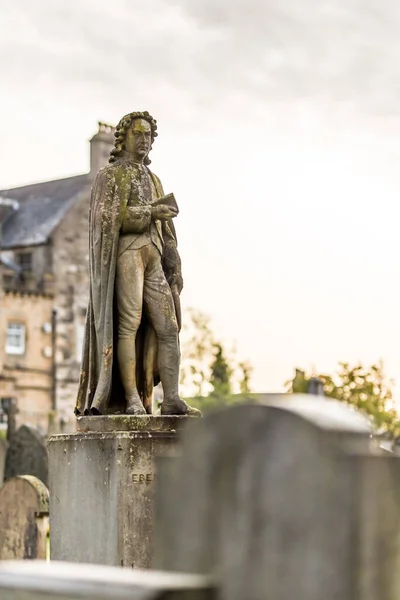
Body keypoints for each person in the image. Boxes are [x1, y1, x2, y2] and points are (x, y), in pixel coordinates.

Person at [75, 111, 199, 417]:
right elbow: (108, 219)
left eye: (148, 136)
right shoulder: (111, 176)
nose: (144, 141)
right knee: (128, 325)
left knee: (168, 328)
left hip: (155, 256)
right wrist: (151, 213)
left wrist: (174, 258)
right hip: (129, 253)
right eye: (138, 134)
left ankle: (170, 398)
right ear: (123, 138)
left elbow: (166, 231)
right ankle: (132, 398)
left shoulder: (154, 179)